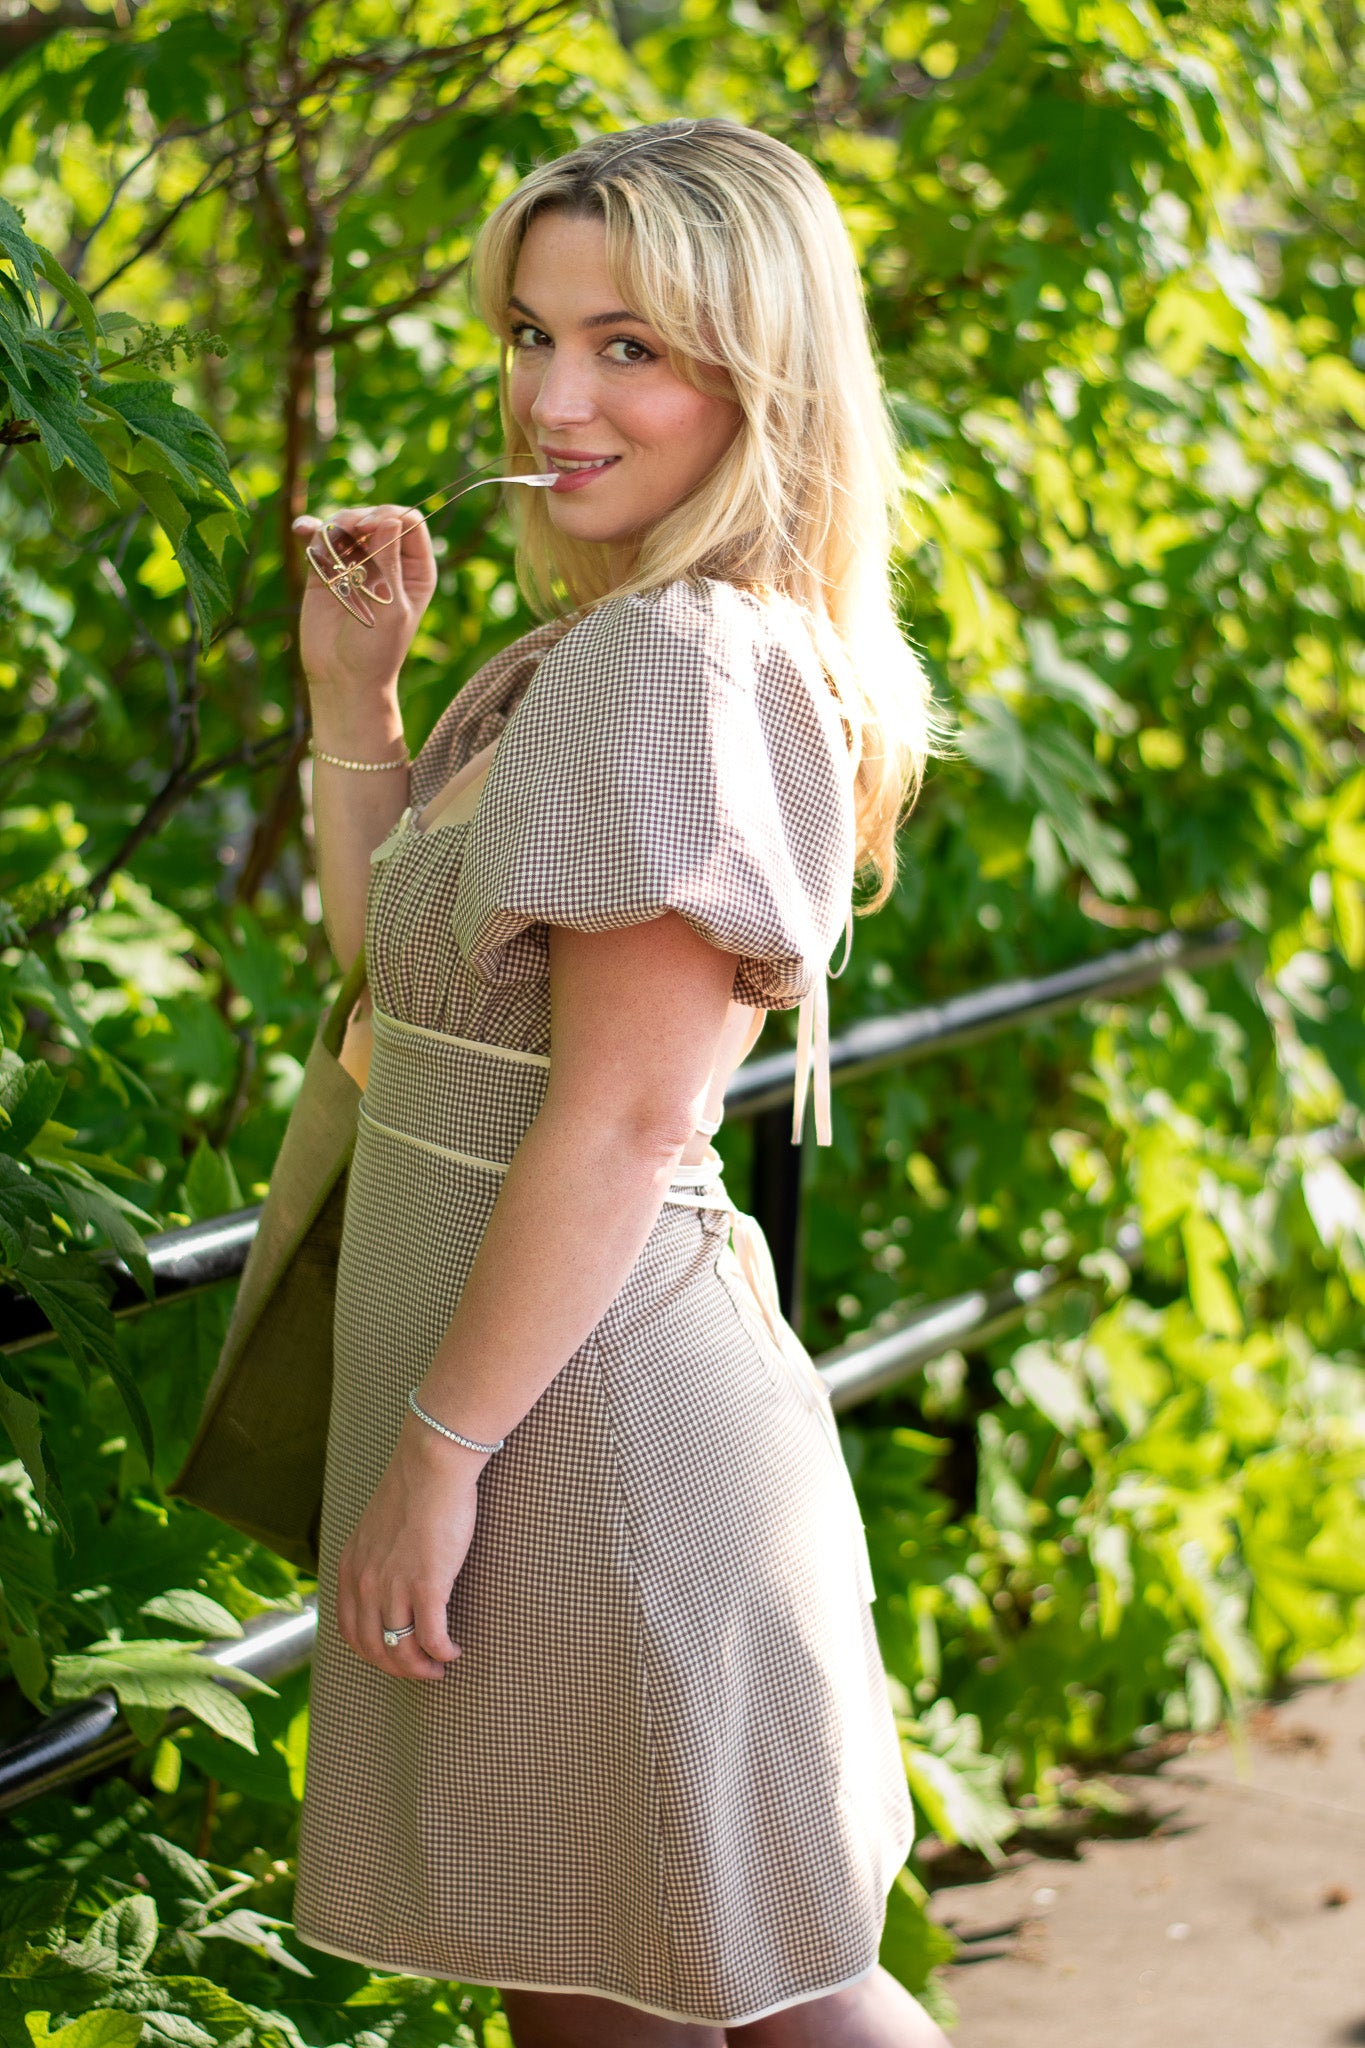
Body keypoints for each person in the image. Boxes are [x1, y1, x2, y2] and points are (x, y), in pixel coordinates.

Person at [288, 117, 947, 2048]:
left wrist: (438, 1456)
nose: (554, 399)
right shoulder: (585, 649)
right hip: (532, 1412)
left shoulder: (673, 659)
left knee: (748, 2003)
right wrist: (355, 701)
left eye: (630, 347)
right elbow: (411, 997)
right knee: (626, 1992)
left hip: (579, 1436)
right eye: (531, 334)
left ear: (763, 377)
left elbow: (628, 1118)